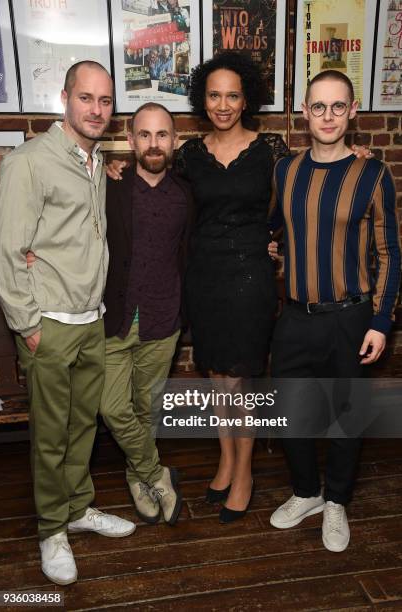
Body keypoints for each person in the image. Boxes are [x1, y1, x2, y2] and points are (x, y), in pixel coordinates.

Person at [107, 55, 371, 525]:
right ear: (202, 100)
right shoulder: (188, 154)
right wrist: (115, 169)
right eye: (214, 95)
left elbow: (306, 184)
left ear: (246, 97)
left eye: (232, 94)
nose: (223, 104)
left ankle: (244, 471)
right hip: (203, 279)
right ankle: (227, 460)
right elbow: (157, 187)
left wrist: (358, 157)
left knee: (241, 380)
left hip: (250, 278)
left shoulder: (271, 149)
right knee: (216, 378)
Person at [0, 61, 136, 587]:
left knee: (82, 427)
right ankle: (51, 529)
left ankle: (78, 507)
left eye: (104, 101)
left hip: (90, 320)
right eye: (86, 98)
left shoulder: (94, 161)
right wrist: (28, 325)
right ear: (65, 99)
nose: (96, 109)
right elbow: (7, 251)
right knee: (51, 435)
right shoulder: (30, 162)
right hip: (48, 326)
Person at [269, 70, 401, 552]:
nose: (328, 116)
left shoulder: (372, 173)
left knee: (347, 414)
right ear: (305, 112)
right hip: (295, 315)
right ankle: (307, 493)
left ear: (353, 112)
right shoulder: (285, 170)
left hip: (350, 317)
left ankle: (338, 500)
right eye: (318, 107)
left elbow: (389, 252)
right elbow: (274, 228)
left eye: (338, 107)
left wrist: (381, 320)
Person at [100, 103, 194, 526]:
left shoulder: (188, 194)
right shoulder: (109, 186)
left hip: (163, 319)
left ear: (174, 140)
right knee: (113, 407)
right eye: (144, 134)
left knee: (147, 409)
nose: (153, 144)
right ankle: (156, 473)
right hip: (114, 318)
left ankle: (136, 477)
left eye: (161, 135)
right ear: (131, 139)